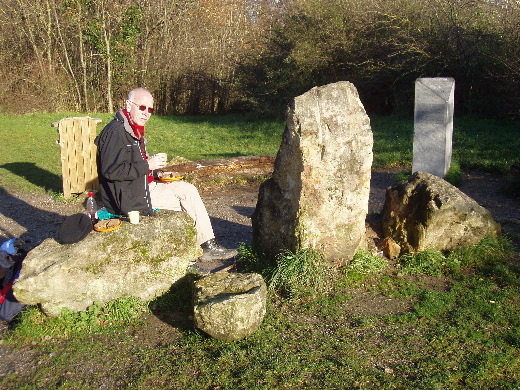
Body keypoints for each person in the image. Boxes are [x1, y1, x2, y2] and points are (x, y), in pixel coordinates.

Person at [94, 87, 236, 261]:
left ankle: (208, 245)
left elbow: (134, 165)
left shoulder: (133, 128)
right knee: (184, 208)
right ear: (128, 105)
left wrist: (157, 172)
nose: (146, 113)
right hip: (128, 197)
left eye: (150, 109)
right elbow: (111, 171)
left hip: (143, 186)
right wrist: (148, 165)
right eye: (142, 107)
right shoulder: (115, 132)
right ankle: (185, 260)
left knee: (188, 190)